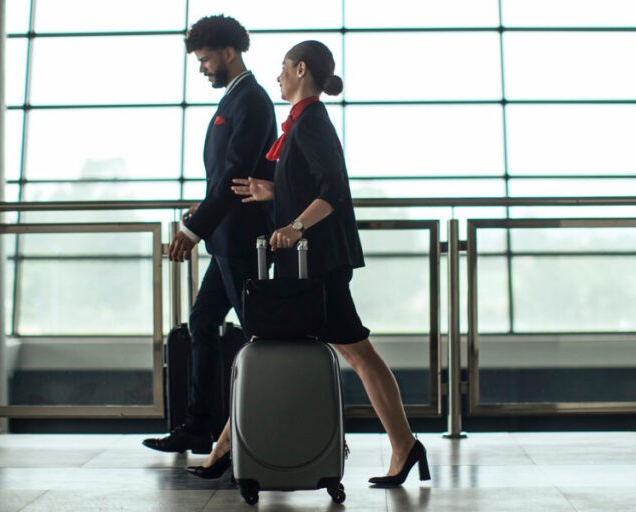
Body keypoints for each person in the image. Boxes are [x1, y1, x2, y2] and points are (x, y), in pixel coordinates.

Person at [186, 40, 430, 487]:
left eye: (283, 69)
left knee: (346, 352)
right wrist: (273, 192)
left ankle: (403, 445)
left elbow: (333, 189)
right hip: (308, 264)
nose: (277, 77)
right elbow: (310, 184)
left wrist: (295, 225)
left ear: (301, 70)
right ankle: (224, 450)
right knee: (298, 347)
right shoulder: (300, 124)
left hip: (318, 263)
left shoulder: (312, 121)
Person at [142, 15, 277, 454]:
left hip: (241, 241)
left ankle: (265, 428)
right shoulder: (234, 101)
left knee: (260, 334)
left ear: (228, 53)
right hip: (226, 237)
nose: (202, 69)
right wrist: (205, 211)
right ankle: (202, 426)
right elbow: (227, 178)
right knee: (202, 322)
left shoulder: (252, 101)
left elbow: (238, 173)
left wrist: (192, 228)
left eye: (205, 60)